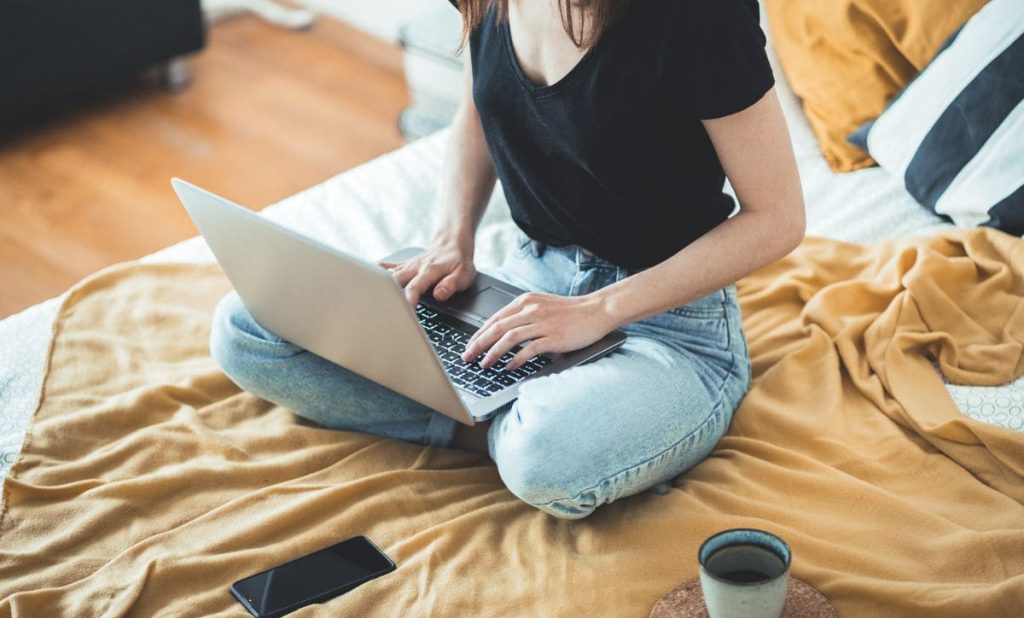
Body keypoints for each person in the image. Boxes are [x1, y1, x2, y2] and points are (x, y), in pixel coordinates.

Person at [210, 0, 805, 520]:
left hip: (667, 324)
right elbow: (478, 101)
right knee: (249, 328)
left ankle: (507, 415)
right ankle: (489, 412)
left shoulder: (699, 13)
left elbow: (777, 218)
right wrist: (452, 237)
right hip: (522, 284)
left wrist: (599, 309)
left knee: (546, 457)